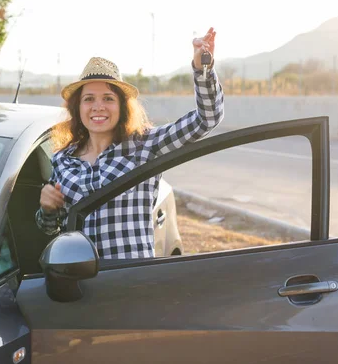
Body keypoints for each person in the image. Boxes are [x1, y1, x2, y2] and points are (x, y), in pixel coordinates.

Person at [35, 27, 224, 259]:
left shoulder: (145, 146)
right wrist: (47, 209)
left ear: (122, 107)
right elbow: (50, 230)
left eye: (108, 99)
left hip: (131, 282)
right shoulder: (62, 160)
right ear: (78, 108)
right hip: (79, 284)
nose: (98, 106)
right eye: (89, 99)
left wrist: (202, 67)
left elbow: (208, 118)